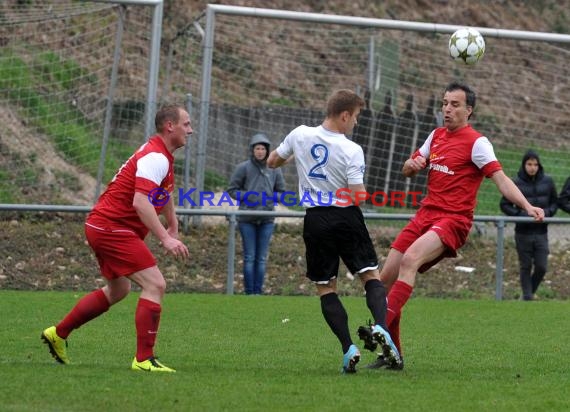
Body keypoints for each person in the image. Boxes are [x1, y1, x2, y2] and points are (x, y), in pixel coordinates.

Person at [360, 81, 544, 370]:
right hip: (425, 215)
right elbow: (408, 168)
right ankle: (391, 355)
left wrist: (527, 205)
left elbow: (502, 180)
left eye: (454, 104)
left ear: (468, 110)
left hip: (453, 221)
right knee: (384, 281)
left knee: (410, 261)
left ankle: (380, 327)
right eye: (444, 103)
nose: (447, 109)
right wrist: (412, 165)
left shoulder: (477, 143)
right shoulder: (435, 136)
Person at [41, 105, 192, 373]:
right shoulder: (155, 157)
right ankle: (144, 359)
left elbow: (163, 193)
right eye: (186, 124)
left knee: (119, 290)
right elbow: (141, 203)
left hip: (105, 226)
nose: (190, 130)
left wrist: (173, 224)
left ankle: (58, 334)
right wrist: (165, 239)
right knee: (155, 284)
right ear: (170, 126)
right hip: (111, 227)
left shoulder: (163, 157)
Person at [267, 89, 402, 374]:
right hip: (346, 217)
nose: (356, 123)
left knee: (326, 288)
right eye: (355, 117)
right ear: (344, 115)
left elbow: (272, 161)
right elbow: (358, 195)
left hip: (315, 221)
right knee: (369, 276)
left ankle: (347, 348)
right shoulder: (351, 149)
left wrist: (299, 161)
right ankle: (380, 326)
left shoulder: (300, 135)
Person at [227, 133, 286, 295]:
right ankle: (249, 292)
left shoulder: (274, 169)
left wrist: (271, 198)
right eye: (257, 148)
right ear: (252, 150)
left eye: (262, 148)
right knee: (249, 257)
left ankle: (258, 293)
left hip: (267, 219)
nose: (260, 151)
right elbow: (232, 190)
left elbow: (282, 192)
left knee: (261, 258)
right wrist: (249, 196)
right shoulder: (243, 168)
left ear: (267, 151)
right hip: (247, 219)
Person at [500, 150, 558, 300]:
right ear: (524, 165)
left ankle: (528, 294)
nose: (532, 167)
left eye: (535, 164)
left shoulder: (548, 182)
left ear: (539, 166)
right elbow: (504, 204)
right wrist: (521, 215)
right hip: (523, 232)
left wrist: (547, 213)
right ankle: (527, 297)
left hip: (541, 232)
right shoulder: (516, 183)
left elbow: (554, 203)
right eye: (529, 164)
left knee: (541, 267)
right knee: (525, 266)